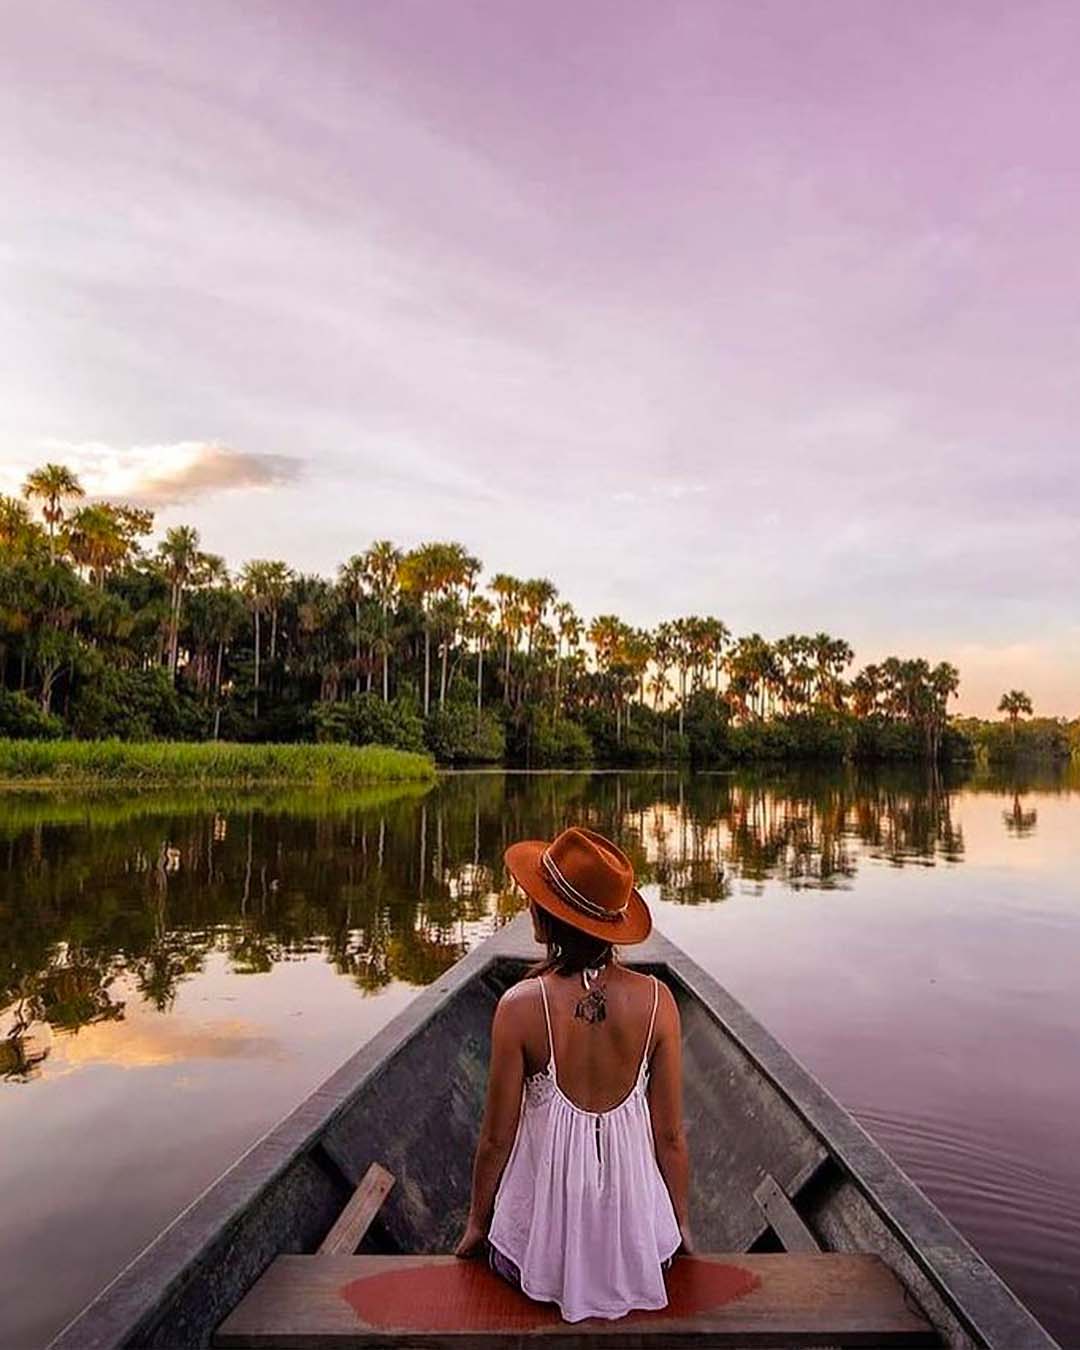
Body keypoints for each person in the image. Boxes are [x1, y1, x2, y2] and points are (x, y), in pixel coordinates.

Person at [455, 825, 692, 1323]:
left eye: (534, 898)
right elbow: (669, 1137)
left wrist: (478, 1224)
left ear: (548, 914)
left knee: (506, 1246)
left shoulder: (519, 1008)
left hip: (537, 1263)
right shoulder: (659, 1004)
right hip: (645, 1255)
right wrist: (680, 1228)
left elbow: (497, 1140)